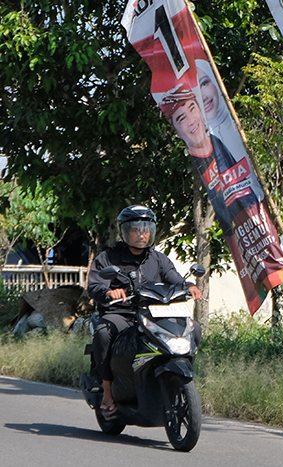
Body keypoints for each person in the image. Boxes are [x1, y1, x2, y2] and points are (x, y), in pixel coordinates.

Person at [88, 205, 203, 417]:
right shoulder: (108, 258)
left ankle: (177, 377)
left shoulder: (158, 259)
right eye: (136, 229)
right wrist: (109, 292)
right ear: (125, 231)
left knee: (193, 328)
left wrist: (189, 287)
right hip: (122, 314)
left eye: (146, 228)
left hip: (154, 313)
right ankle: (107, 390)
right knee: (104, 333)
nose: (142, 234)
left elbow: (174, 277)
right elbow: (94, 285)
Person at [159, 84, 259, 235]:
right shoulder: (191, 168)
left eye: (192, 108)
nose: (191, 121)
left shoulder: (224, 145)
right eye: (181, 118)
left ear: (200, 110)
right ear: (176, 131)